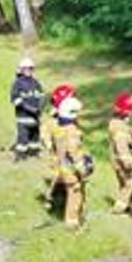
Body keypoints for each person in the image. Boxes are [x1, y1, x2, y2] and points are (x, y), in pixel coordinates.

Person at [50, 96, 91, 229]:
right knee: (75, 197)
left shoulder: (58, 129)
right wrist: (83, 170)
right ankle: (72, 223)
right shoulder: (72, 132)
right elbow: (74, 153)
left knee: (69, 194)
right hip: (71, 172)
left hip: (62, 168)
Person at [107, 91, 132, 216]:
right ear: (127, 111)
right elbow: (121, 144)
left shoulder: (115, 123)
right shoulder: (120, 128)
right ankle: (119, 208)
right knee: (131, 182)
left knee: (124, 183)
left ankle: (128, 207)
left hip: (116, 160)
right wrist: (127, 159)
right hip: (122, 161)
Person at [9, 57, 44, 159]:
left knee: (35, 136)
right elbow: (15, 99)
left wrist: (40, 107)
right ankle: (20, 155)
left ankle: (34, 152)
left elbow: (41, 96)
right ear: (21, 69)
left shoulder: (36, 83)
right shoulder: (17, 84)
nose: (29, 70)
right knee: (23, 137)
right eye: (26, 68)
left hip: (35, 117)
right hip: (23, 117)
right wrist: (28, 108)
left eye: (30, 68)